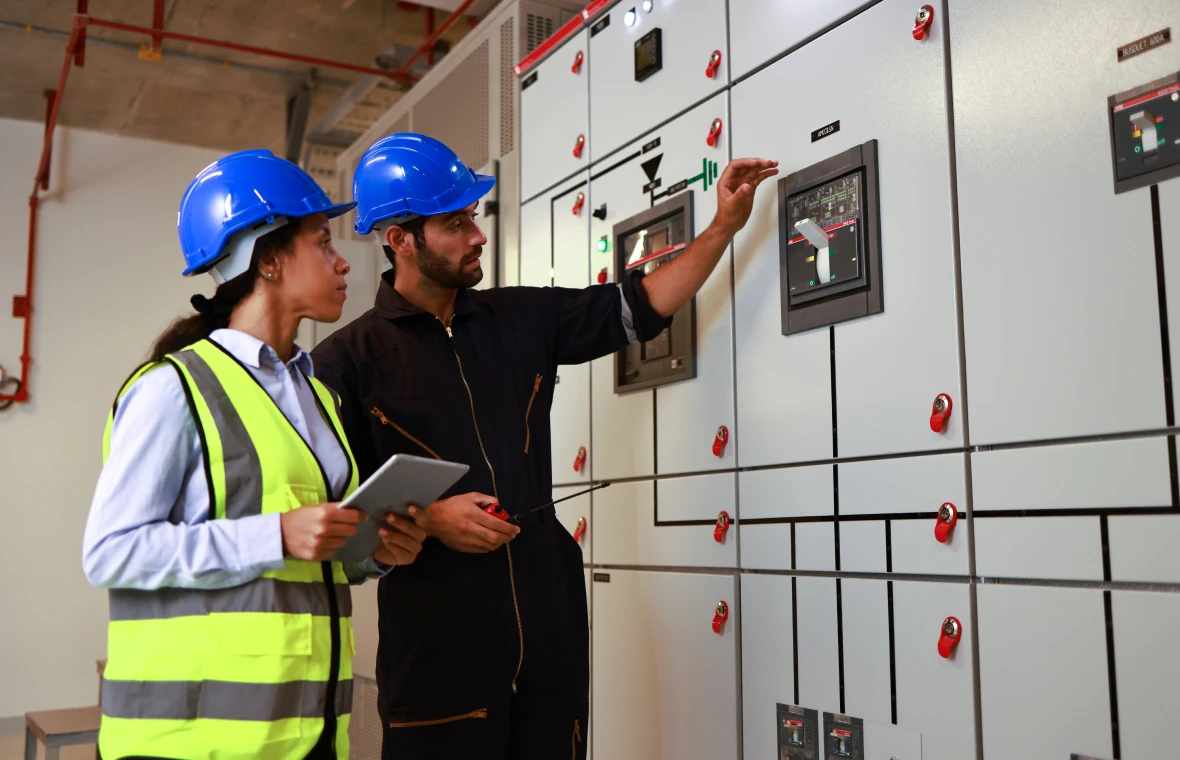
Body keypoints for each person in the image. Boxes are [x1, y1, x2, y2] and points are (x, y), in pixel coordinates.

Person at [310, 132, 778, 760]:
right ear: (399, 239)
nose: (477, 235)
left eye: (473, 218)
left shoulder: (521, 318)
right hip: (438, 641)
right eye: (455, 224)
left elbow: (642, 307)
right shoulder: (344, 364)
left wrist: (723, 225)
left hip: (547, 618)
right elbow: (337, 518)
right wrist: (432, 519)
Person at [82, 149, 428, 760]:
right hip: (192, 741)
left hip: (305, 731)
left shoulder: (314, 392)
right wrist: (276, 535)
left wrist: (373, 552)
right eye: (323, 241)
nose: (343, 259)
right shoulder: (172, 388)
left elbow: (310, 556)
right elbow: (110, 553)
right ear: (268, 259)